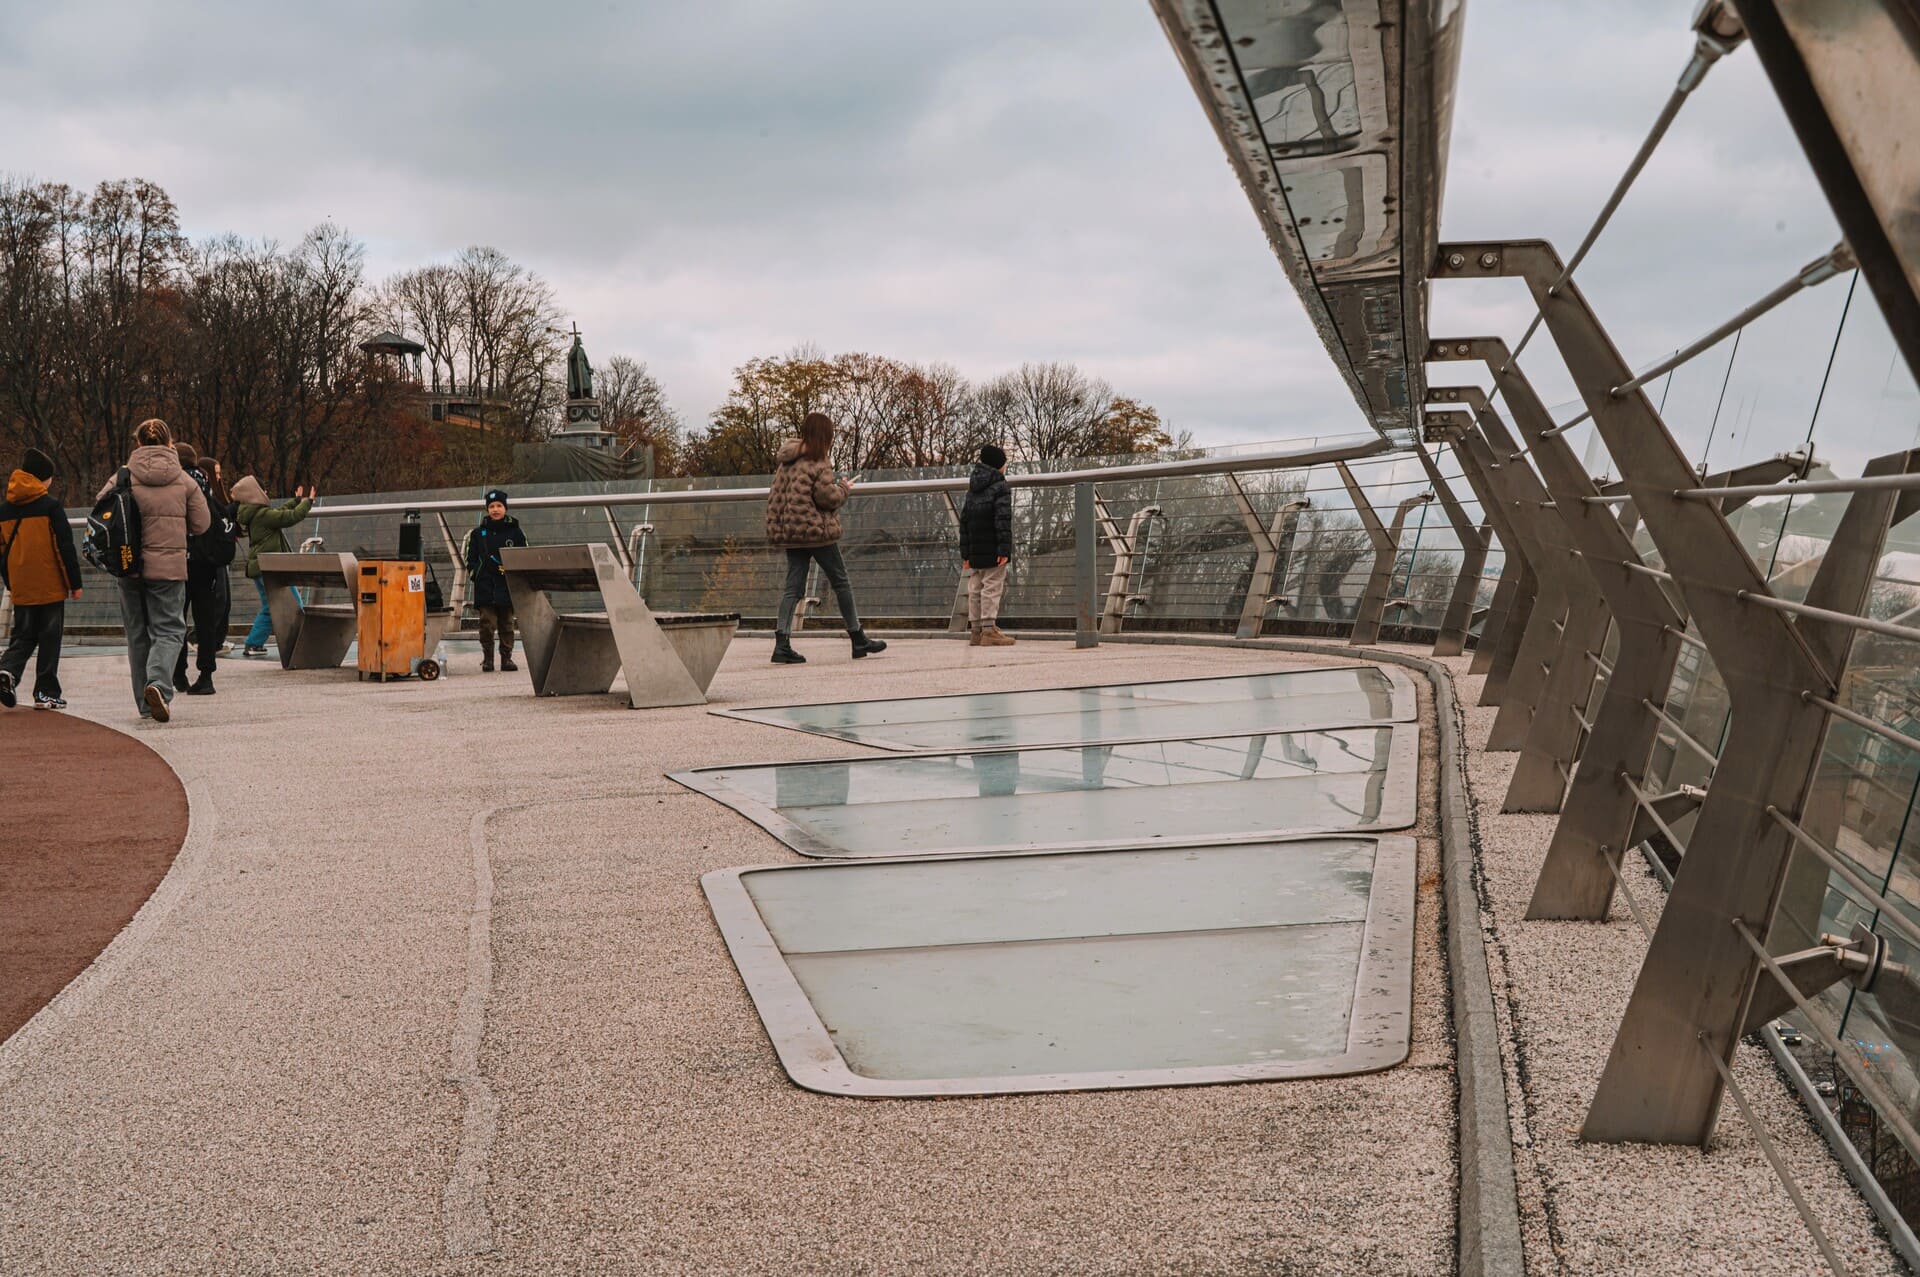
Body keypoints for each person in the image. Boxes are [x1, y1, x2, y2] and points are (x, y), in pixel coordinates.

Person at [100, 419, 209, 723]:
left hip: (128, 565)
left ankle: (146, 706)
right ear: (169, 443)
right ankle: (159, 685)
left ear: (137, 444)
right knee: (170, 631)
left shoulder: (122, 476)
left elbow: (101, 509)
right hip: (169, 570)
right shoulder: (184, 481)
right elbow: (202, 524)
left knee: (137, 635)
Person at [763, 411, 886, 664]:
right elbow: (826, 498)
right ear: (826, 435)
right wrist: (843, 488)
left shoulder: (787, 459)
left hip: (791, 531)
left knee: (793, 587)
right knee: (841, 582)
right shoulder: (819, 461)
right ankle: (857, 638)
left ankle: (782, 643)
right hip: (815, 532)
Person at [0, 447, 83, 710]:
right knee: (49, 636)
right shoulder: (51, 506)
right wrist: (75, 582)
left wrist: (10, 582)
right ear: (41, 478)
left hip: (21, 582)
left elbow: (2, 552)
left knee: (23, 634)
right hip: (50, 582)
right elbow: (64, 547)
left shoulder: (4, 510)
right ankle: (45, 691)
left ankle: (7, 671)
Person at [171, 446, 235, 695]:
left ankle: (178, 673)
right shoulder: (204, 484)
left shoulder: (174, 483)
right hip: (206, 563)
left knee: (176, 619)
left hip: (180, 559)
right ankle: (206, 674)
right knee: (205, 620)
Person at [230, 475, 314, 658]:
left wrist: (296, 500)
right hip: (270, 569)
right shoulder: (262, 515)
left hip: (263, 568)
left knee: (271, 606)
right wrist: (308, 503)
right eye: (263, 490)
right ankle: (299, 644)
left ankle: (254, 643)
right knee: (292, 605)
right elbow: (289, 517)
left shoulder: (255, 514)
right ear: (256, 493)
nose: (266, 493)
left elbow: (281, 512)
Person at [463, 488, 527, 672]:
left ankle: (506, 658)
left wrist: (517, 576)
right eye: (492, 506)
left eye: (499, 505)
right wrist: (476, 574)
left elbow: (524, 554)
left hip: (507, 584)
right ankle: (488, 658)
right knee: (486, 623)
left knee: (507, 623)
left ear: (505, 508)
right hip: (485, 585)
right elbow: (470, 558)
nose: (495, 509)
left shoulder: (515, 532)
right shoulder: (477, 533)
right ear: (487, 509)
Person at [959, 443, 1015, 647]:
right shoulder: (1000, 487)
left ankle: (976, 631)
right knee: (992, 587)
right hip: (992, 548)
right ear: (999, 465)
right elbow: (1002, 521)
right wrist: (1004, 549)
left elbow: (964, 522)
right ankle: (989, 630)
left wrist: (965, 553)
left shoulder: (972, 488)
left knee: (975, 587)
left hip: (974, 549)